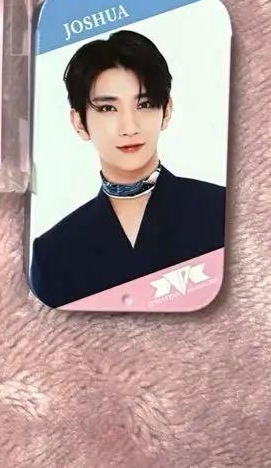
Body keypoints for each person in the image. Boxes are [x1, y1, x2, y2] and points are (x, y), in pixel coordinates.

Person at [29, 30, 226, 308]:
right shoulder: (53, 252)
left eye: (144, 104)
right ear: (79, 123)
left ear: (166, 111)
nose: (130, 127)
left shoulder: (221, 210)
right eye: (107, 109)